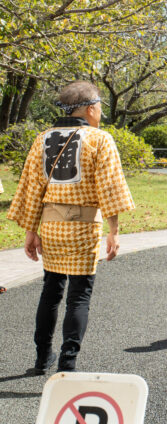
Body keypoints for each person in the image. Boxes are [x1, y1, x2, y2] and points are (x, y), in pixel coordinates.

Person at [8, 81, 135, 374]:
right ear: (90, 108)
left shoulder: (42, 139)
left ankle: (42, 359)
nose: (101, 112)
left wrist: (31, 231)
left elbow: (32, 188)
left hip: (51, 227)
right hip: (84, 227)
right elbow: (110, 188)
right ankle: (68, 362)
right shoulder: (100, 139)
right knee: (79, 295)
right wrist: (113, 231)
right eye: (100, 106)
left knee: (51, 291)